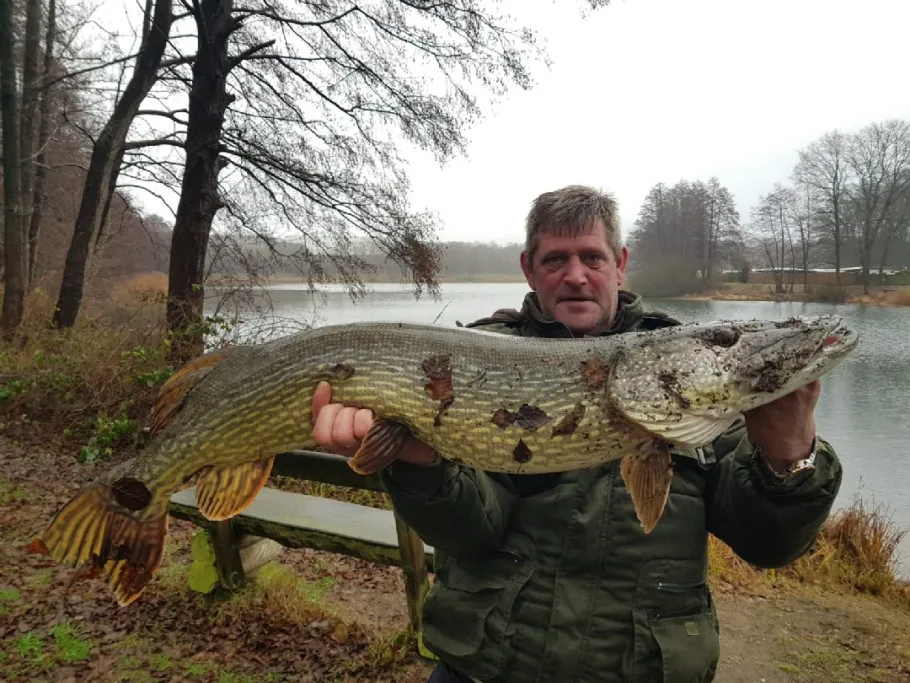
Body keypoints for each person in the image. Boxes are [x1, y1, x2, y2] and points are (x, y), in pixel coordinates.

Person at [309, 185, 843, 683]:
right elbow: (470, 534)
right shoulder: (470, 364)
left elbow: (770, 546)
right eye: (555, 260)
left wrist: (789, 455)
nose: (576, 275)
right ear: (529, 269)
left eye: (592, 257)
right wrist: (417, 459)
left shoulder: (690, 386)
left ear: (620, 264)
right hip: (489, 666)